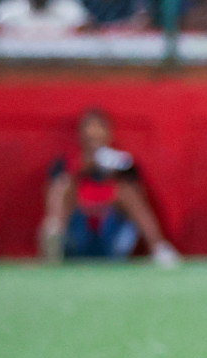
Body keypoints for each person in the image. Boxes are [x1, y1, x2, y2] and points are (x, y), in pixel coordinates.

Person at [40, 109, 180, 265]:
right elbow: (52, 192)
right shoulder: (65, 163)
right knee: (62, 185)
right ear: (80, 134)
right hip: (77, 234)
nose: (93, 133)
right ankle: (54, 235)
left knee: (128, 191)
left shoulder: (123, 162)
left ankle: (158, 247)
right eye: (88, 129)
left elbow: (140, 195)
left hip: (112, 234)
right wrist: (80, 168)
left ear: (109, 133)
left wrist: (113, 174)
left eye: (98, 128)